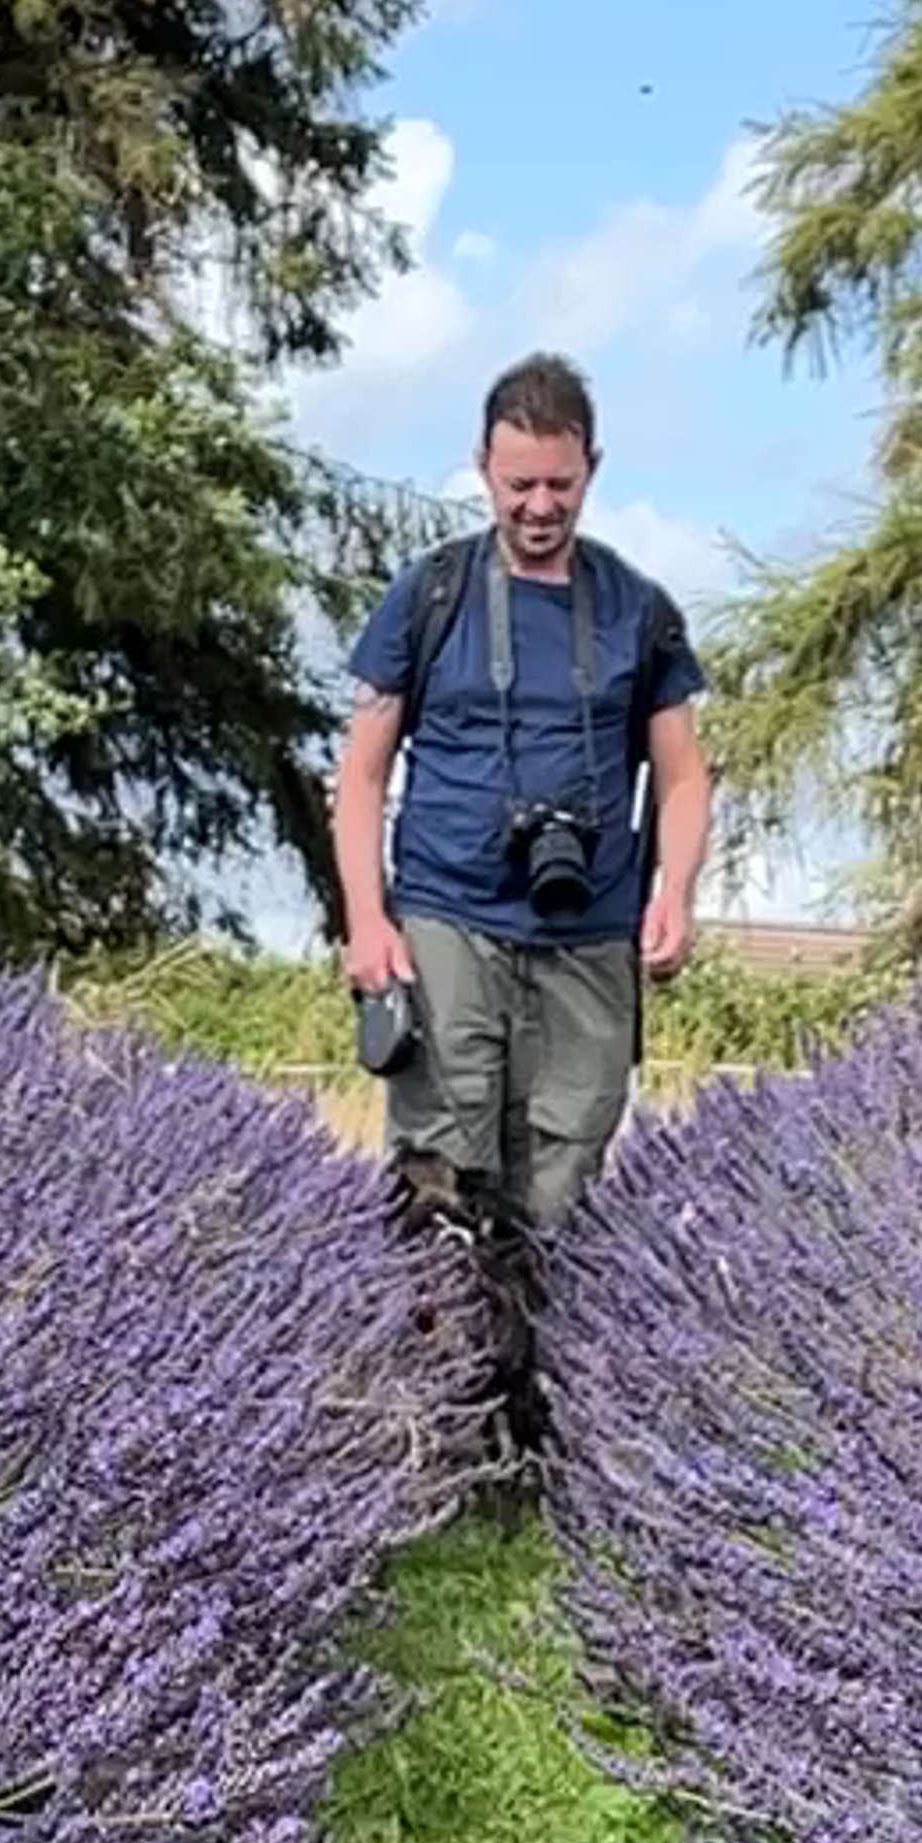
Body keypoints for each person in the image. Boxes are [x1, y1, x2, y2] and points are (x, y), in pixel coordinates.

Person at [334, 358, 710, 1435]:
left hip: (589, 933)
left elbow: (682, 775)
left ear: (591, 470)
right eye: (518, 485)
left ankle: (541, 1432)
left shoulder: (639, 610)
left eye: (560, 485)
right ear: (483, 470)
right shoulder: (431, 592)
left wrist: (672, 888)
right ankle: (435, 1431)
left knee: (563, 1184)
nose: (539, 507)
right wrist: (367, 919)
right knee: (446, 1175)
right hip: (447, 913)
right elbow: (360, 774)